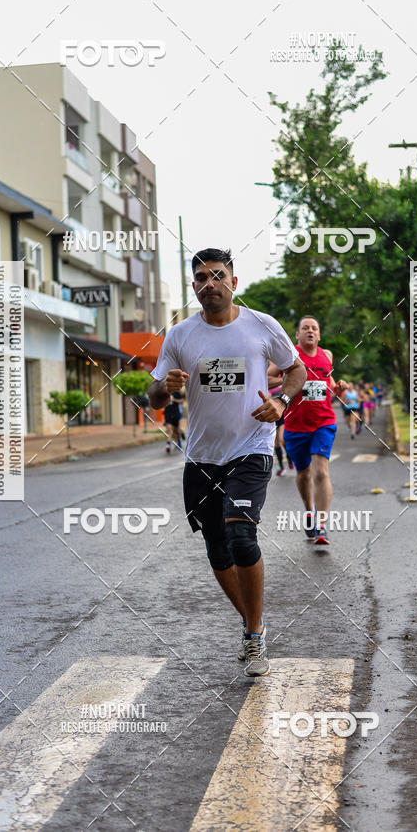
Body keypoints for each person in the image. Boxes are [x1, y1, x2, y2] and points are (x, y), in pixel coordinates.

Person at [148, 248, 306, 676]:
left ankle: (253, 635)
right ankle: (252, 622)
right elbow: (155, 399)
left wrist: (281, 401)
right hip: (201, 456)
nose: (209, 283)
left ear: (234, 283)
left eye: (218, 275)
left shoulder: (261, 326)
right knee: (217, 550)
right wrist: (167, 386)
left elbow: (297, 370)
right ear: (193, 286)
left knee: (240, 537)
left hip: (252, 447)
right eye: (201, 277)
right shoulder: (180, 336)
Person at [271, 316, 346, 548]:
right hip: (295, 425)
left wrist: (338, 388)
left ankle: (322, 525)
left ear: (319, 334)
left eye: (315, 328)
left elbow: (327, 383)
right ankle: (309, 512)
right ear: (298, 334)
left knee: (321, 472)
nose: (310, 331)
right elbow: (268, 375)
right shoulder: (289, 355)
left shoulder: (327, 356)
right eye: (306, 328)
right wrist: (288, 379)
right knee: (303, 475)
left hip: (323, 421)